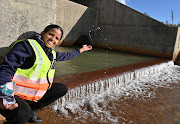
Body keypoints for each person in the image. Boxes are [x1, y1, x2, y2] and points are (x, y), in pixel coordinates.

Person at [0, 24, 92, 124]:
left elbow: (67, 55)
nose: (53, 39)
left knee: (61, 89)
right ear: (43, 33)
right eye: (51, 34)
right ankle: (25, 112)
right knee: (23, 115)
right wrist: (7, 95)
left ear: (58, 42)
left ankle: (33, 109)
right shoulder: (27, 46)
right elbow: (6, 69)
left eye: (57, 38)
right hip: (13, 92)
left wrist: (81, 50)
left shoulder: (51, 54)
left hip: (30, 94)